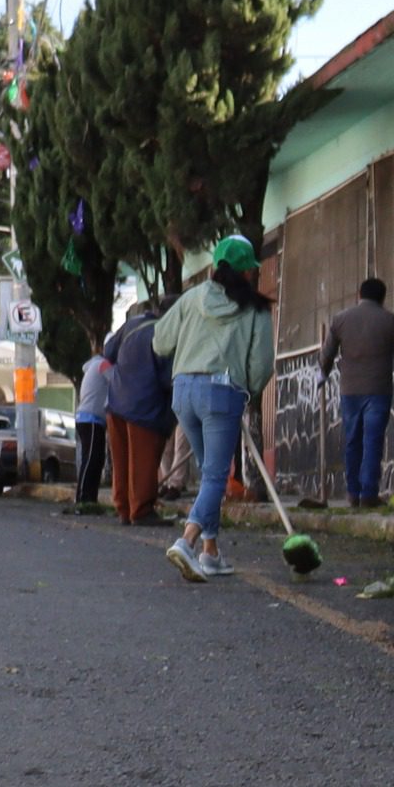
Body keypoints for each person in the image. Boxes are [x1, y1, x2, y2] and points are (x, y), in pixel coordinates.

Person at [152, 236, 277, 581]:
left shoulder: (191, 298)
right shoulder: (255, 308)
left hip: (183, 392)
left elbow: (160, 342)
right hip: (222, 393)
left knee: (210, 471)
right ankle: (187, 541)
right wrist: (248, 391)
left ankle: (211, 552)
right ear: (247, 272)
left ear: (215, 266)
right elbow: (262, 361)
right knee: (216, 475)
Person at [321, 276, 394, 507]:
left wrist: (322, 373)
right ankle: (369, 494)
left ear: (359, 295)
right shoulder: (391, 321)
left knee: (353, 440)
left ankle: (353, 493)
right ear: (382, 298)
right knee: (373, 441)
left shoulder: (340, 320)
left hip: (349, 390)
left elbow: (327, 353)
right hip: (378, 390)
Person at [101, 298, 175, 527]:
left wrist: (117, 376)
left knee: (121, 461)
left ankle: (123, 509)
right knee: (143, 462)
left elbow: (107, 351)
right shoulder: (167, 334)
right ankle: (141, 510)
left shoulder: (133, 324)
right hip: (145, 408)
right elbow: (168, 377)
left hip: (116, 404)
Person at [72, 352, 111, 507]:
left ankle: (89, 498)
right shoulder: (103, 365)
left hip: (86, 418)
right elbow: (117, 380)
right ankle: (83, 497)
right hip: (92, 419)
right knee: (91, 459)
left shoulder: (92, 367)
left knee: (95, 459)